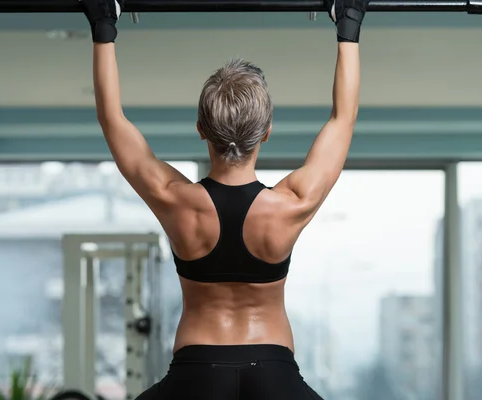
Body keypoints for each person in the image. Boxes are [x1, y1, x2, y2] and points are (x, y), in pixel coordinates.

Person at [80, 0, 367, 397]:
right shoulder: (291, 203)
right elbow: (343, 117)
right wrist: (348, 26)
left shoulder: (175, 201)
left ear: (201, 129)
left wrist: (103, 24)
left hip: (196, 374)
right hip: (274, 374)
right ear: (266, 132)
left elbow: (111, 117)